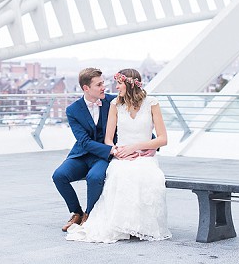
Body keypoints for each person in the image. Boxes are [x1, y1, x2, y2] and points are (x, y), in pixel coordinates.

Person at [67, 68, 172, 243]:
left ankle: (140, 225)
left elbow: (163, 139)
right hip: (122, 155)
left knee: (150, 176)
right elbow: (108, 139)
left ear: (130, 84)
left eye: (119, 83)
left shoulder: (152, 103)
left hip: (144, 155)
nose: (115, 87)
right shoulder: (115, 105)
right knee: (119, 174)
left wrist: (137, 147)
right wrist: (118, 152)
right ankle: (121, 223)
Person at [51, 68, 117, 232]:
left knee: (94, 177)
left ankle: (89, 214)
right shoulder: (73, 110)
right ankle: (76, 212)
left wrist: (150, 140)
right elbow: (84, 142)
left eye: (103, 83)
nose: (104, 87)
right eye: (99, 84)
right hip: (83, 154)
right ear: (86, 88)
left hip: (102, 158)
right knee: (59, 176)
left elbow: (133, 121)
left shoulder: (114, 102)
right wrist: (110, 150)